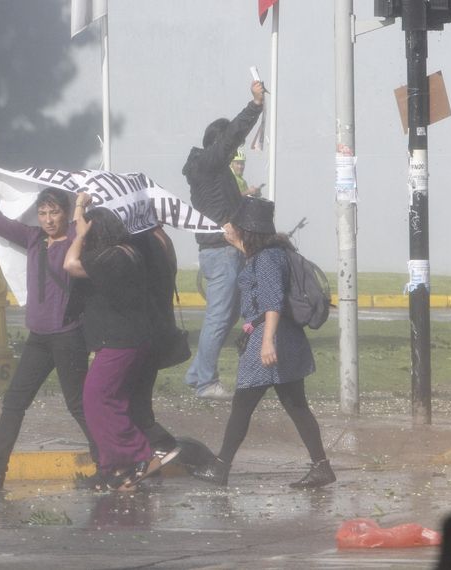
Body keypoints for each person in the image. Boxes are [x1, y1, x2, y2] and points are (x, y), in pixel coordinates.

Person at [0, 165, 97, 488]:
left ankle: (108, 463)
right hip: (39, 338)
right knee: (14, 402)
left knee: (78, 404)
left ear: (64, 214)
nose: (49, 219)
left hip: (67, 337)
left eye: (55, 212)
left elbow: (81, 228)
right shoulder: (34, 237)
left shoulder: (75, 241)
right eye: (43, 212)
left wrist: (80, 205)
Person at [192, 196, 335, 489]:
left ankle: (220, 468)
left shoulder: (267, 258)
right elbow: (258, 270)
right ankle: (322, 467)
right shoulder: (272, 252)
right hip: (287, 339)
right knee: (296, 406)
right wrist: (235, 243)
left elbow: (272, 301)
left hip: (270, 339)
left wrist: (267, 342)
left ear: (249, 230)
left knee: (242, 406)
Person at [64, 195, 179, 491]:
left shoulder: (112, 258)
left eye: (90, 230)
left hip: (120, 341)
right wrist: (80, 206)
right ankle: (113, 466)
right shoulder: (127, 251)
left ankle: (139, 454)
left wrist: (81, 235)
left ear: (97, 232)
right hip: (126, 339)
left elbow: (70, 264)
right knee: (111, 402)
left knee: (97, 399)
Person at [183, 80, 265, 401]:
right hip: (221, 250)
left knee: (228, 313)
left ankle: (196, 374)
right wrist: (255, 105)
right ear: (217, 145)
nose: (233, 150)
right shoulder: (209, 163)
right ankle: (206, 382)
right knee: (219, 316)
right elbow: (233, 134)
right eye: (228, 146)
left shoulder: (211, 172)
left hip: (225, 249)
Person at [127, 226, 179, 454]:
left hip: (141, 332)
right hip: (157, 328)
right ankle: (150, 452)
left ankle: (159, 444)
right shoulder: (160, 238)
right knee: (140, 399)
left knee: (132, 402)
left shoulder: (138, 243)